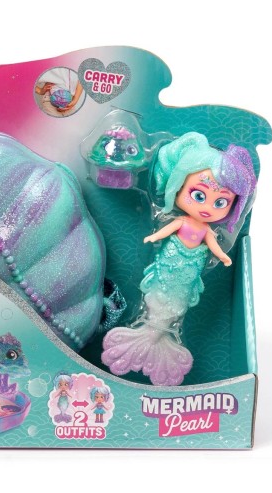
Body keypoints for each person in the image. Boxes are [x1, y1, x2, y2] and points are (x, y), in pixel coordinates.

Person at [102, 132, 257, 386]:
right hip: (168, 267)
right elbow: (165, 231)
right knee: (158, 293)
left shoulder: (206, 231)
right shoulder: (181, 221)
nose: (207, 207)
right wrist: (153, 238)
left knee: (177, 301)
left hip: (187, 274)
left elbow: (214, 247)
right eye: (199, 195)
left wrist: (224, 257)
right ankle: (149, 329)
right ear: (178, 186)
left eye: (220, 202)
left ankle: (160, 334)